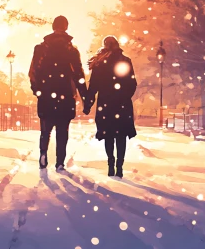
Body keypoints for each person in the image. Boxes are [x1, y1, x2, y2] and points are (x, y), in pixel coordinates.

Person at [28, 15, 88, 171]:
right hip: (65, 95)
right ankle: (60, 161)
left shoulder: (41, 48)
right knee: (62, 130)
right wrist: (85, 97)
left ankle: (43, 154)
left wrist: (37, 90)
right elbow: (79, 74)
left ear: (53, 26)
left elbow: (33, 71)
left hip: (46, 95)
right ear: (66, 27)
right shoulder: (71, 50)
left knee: (45, 129)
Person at [83, 36, 137, 178]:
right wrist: (125, 95)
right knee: (121, 136)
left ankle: (110, 164)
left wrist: (88, 103)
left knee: (109, 135)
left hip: (106, 103)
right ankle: (119, 165)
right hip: (122, 103)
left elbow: (93, 86)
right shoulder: (125, 61)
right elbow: (132, 83)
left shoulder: (99, 63)